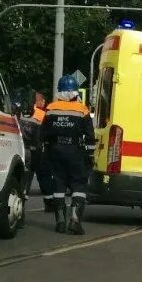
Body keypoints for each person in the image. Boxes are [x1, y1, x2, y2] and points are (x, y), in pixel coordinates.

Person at [42, 75, 95, 235]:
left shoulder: (50, 108)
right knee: (79, 185)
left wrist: (47, 150)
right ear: (75, 92)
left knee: (58, 184)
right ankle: (75, 221)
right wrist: (90, 154)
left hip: (55, 150)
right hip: (75, 151)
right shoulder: (82, 109)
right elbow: (90, 135)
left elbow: (43, 133)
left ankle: (60, 222)